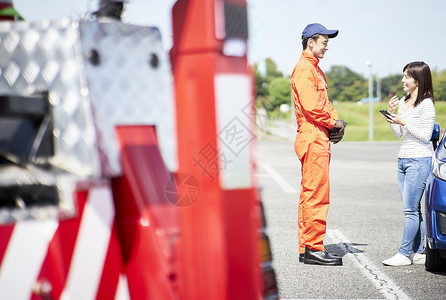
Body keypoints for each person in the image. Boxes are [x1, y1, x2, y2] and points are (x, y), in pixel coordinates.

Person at [291, 23, 346, 266]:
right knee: (317, 194)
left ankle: (307, 248)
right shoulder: (305, 70)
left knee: (309, 193)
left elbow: (325, 102)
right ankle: (313, 247)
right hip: (312, 135)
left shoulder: (315, 70)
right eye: (324, 42)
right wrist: (333, 123)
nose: (326, 47)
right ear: (310, 42)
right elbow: (313, 108)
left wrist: (337, 123)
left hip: (317, 135)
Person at [382, 61, 435, 266]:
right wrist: (391, 117)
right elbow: (399, 135)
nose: (403, 80)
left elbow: (425, 136)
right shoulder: (404, 101)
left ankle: (404, 253)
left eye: (407, 76)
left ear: (418, 79)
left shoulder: (426, 104)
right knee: (413, 209)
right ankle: (419, 252)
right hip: (403, 159)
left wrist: (404, 122)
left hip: (419, 160)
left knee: (410, 210)